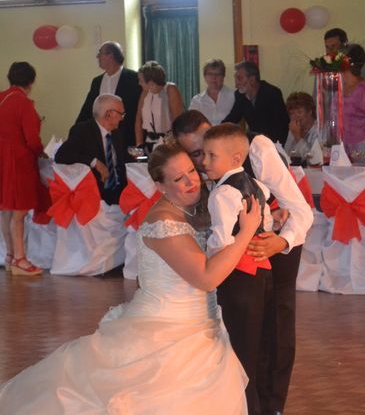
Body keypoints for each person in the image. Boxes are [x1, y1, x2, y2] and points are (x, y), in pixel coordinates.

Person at [0, 143, 262, 414]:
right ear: (160, 187)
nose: (191, 181)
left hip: (198, 324)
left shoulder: (193, 207)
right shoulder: (164, 223)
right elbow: (207, 278)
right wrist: (247, 232)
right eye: (178, 178)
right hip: (170, 332)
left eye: (191, 171)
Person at [172, 110, 312, 415]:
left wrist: (280, 241)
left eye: (204, 152)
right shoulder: (207, 169)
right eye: (194, 154)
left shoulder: (258, 147)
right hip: (238, 258)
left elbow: (300, 210)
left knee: (277, 329)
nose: (201, 162)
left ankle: (272, 406)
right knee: (246, 336)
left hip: (278, 244)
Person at [203, 123, 273, 415]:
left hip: (237, 278)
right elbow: (267, 225)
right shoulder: (259, 187)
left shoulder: (222, 195)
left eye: (211, 156)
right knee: (255, 348)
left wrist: (203, 261)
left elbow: (220, 242)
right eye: (203, 155)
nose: (204, 162)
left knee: (238, 351)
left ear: (235, 159)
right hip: (262, 272)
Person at [0, 62, 45, 276]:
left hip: (2, 158)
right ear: (31, 81)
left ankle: (9, 255)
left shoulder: (2, 97)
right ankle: (20, 259)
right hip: (17, 160)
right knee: (19, 212)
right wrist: (41, 152)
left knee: (6, 210)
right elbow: (32, 139)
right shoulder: (23, 103)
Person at [56, 94, 131, 205]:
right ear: (109, 114)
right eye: (121, 114)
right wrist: (94, 162)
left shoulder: (117, 133)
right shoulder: (82, 130)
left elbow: (122, 161)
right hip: (96, 194)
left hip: (121, 192)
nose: (122, 118)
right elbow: (62, 155)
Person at [76, 41, 142, 147]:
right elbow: (88, 108)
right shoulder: (97, 81)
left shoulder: (133, 78)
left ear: (110, 55)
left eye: (100, 53)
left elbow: (138, 110)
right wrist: (76, 131)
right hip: (100, 138)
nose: (97, 57)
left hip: (126, 137)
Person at [222, 61, 289, 144]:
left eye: (239, 78)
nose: (236, 84)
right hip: (255, 142)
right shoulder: (240, 95)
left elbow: (280, 125)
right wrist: (217, 130)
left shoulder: (272, 93)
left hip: (276, 143)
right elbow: (233, 118)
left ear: (252, 80)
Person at [135, 60, 185, 152]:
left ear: (150, 82)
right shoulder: (145, 93)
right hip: (148, 142)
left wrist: (171, 142)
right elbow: (138, 119)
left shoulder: (170, 89)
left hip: (169, 144)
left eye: (141, 81)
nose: (139, 83)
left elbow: (178, 121)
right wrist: (139, 144)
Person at [189, 58, 236, 125]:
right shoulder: (196, 100)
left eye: (218, 74)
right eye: (210, 74)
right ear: (205, 76)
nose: (214, 77)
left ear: (223, 76)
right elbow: (192, 124)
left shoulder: (234, 96)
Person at [284, 91, 318, 163]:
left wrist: (298, 137)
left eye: (299, 112)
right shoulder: (293, 129)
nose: (296, 116)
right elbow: (286, 155)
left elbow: (313, 160)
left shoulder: (318, 130)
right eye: (292, 113)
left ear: (310, 111)